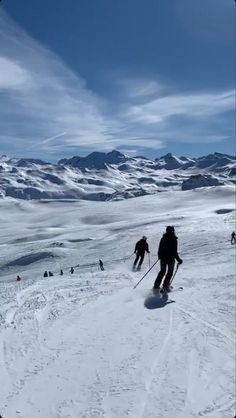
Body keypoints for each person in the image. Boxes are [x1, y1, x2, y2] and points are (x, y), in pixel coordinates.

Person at [153, 226, 183, 291]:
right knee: (169, 272)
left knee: (162, 272)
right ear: (173, 231)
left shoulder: (163, 238)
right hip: (170, 259)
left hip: (163, 258)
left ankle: (156, 286)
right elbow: (174, 251)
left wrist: (160, 256)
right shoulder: (174, 239)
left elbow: (159, 249)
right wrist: (179, 260)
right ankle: (165, 286)